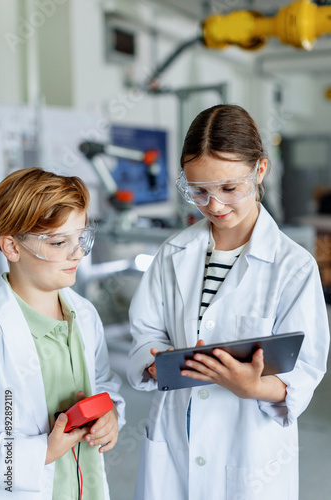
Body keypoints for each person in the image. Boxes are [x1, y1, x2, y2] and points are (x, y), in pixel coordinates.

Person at [127, 104, 330, 500]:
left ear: (260, 171)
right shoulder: (174, 253)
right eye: (198, 191)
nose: (215, 206)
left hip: (250, 451)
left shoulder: (293, 266)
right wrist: (154, 362)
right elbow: (146, 329)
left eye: (229, 189)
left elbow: (305, 368)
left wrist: (254, 387)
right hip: (175, 439)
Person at [0, 168, 125, 500]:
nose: (78, 254)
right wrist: (44, 450)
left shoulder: (83, 314)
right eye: (59, 242)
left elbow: (104, 383)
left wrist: (111, 413)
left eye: (81, 239)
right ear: (11, 246)